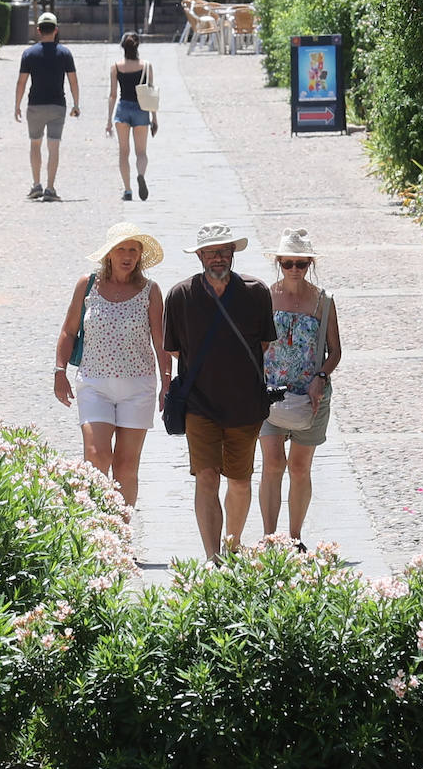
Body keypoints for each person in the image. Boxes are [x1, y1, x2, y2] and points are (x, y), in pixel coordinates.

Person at [164, 222, 275, 560]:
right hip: (200, 406)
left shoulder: (256, 292)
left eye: (223, 251)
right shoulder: (181, 295)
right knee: (207, 477)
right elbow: (175, 350)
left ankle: (233, 543)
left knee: (239, 481)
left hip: (245, 405)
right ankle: (213, 558)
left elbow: (265, 343)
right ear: (199, 255)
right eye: (211, 251)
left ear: (233, 253)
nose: (218, 257)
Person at [54, 222, 169, 505]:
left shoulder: (150, 290)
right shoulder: (87, 285)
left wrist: (167, 383)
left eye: (133, 250)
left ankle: (122, 535)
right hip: (94, 383)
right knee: (96, 456)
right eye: (121, 249)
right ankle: (91, 526)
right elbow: (69, 330)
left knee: (126, 467)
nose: (127, 255)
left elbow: (161, 340)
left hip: (138, 386)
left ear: (140, 255)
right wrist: (60, 371)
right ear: (109, 254)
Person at [258, 228, 341, 549]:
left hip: (311, 396)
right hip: (269, 392)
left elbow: (335, 351)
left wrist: (321, 377)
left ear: (309, 265)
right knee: (273, 463)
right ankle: (269, 537)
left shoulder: (323, 301)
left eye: (301, 264)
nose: (294, 269)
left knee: (300, 466)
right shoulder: (264, 297)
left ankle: (294, 537)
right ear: (279, 262)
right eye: (288, 263)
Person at [14, 12, 80, 203]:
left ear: (38, 30)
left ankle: (36, 185)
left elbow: (21, 82)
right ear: (56, 30)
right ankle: (50, 188)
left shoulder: (28, 54)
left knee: (35, 144)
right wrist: (76, 104)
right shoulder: (65, 53)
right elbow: (73, 81)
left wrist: (17, 105)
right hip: (57, 105)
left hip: (35, 105)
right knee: (54, 146)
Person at [105, 32, 158, 201]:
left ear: (123, 47)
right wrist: (154, 118)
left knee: (123, 152)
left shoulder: (116, 67)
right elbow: (150, 93)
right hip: (141, 109)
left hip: (123, 109)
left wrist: (108, 121)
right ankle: (140, 174)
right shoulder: (146, 66)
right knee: (141, 152)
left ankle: (127, 190)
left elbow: (113, 94)